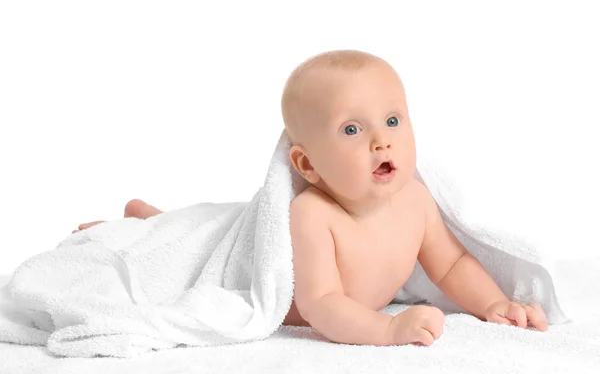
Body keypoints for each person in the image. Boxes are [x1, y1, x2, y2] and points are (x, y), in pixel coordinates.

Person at [73, 49, 548, 347]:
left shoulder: (416, 202)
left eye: (393, 120)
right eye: (352, 129)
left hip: (234, 224)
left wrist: (491, 303)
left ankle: (152, 216)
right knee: (187, 244)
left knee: (197, 226)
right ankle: (140, 225)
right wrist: (385, 330)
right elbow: (320, 304)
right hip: (231, 246)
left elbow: (451, 266)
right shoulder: (313, 214)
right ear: (307, 166)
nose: (381, 141)